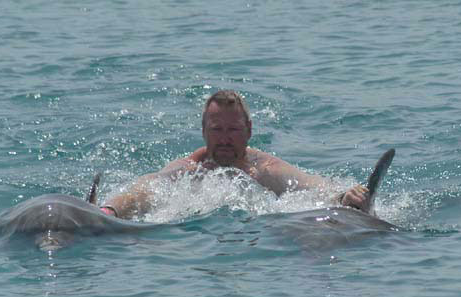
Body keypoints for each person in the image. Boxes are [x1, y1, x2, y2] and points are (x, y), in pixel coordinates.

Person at [99, 90, 371, 219]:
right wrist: (108, 210)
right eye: (217, 129)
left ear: (249, 130)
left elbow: (311, 185)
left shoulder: (263, 168)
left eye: (234, 129)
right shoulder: (190, 168)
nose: (225, 138)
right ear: (203, 131)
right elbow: (144, 189)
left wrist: (344, 197)